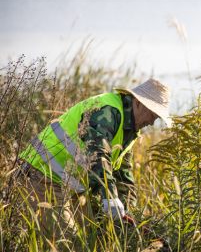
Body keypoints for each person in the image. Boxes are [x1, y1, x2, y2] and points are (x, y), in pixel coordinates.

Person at [17, 79, 171, 240]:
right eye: (152, 114)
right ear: (138, 103)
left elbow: (123, 176)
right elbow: (98, 153)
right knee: (70, 244)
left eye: (157, 117)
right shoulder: (108, 111)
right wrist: (110, 197)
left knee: (95, 238)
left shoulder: (130, 130)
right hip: (42, 175)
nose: (152, 122)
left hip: (73, 186)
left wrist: (125, 212)